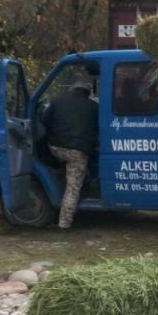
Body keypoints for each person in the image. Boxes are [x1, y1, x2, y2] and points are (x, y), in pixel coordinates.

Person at [41, 80, 98, 229]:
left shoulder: (57, 101)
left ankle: (55, 180)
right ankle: (64, 224)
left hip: (56, 149)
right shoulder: (93, 107)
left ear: (72, 90)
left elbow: (44, 122)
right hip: (77, 153)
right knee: (73, 188)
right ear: (88, 93)